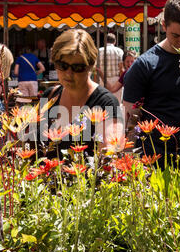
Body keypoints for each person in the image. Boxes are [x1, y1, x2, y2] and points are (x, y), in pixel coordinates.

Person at [123, 0, 180, 166]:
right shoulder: (144, 65)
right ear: (163, 26)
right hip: (153, 159)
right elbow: (132, 119)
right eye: (175, 35)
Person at [37, 29, 124, 158]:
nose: (68, 73)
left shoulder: (106, 103)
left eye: (77, 67)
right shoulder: (50, 96)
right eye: (62, 65)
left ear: (91, 66)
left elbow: (109, 158)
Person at [96, 33, 124, 103]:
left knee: (104, 102)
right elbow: (121, 68)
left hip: (103, 79)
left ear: (105, 41)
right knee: (116, 102)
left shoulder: (99, 51)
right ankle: (116, 114)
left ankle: (108, 114)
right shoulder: (120, 51)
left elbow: (96, 68)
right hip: (117, 80)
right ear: (115, 42)